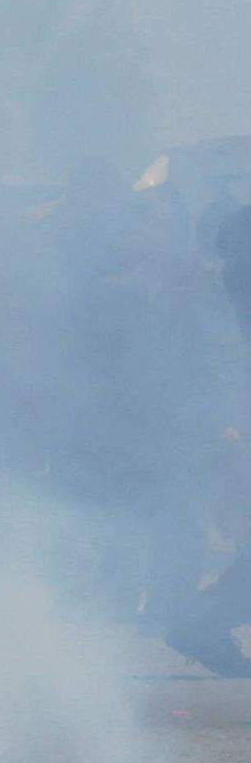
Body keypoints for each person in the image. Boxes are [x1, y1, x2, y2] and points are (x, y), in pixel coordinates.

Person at [164, 203, 251, 677]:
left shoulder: (222, 284)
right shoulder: (231, 289)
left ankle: (198, 622)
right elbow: (220, 363)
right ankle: (198, 622)